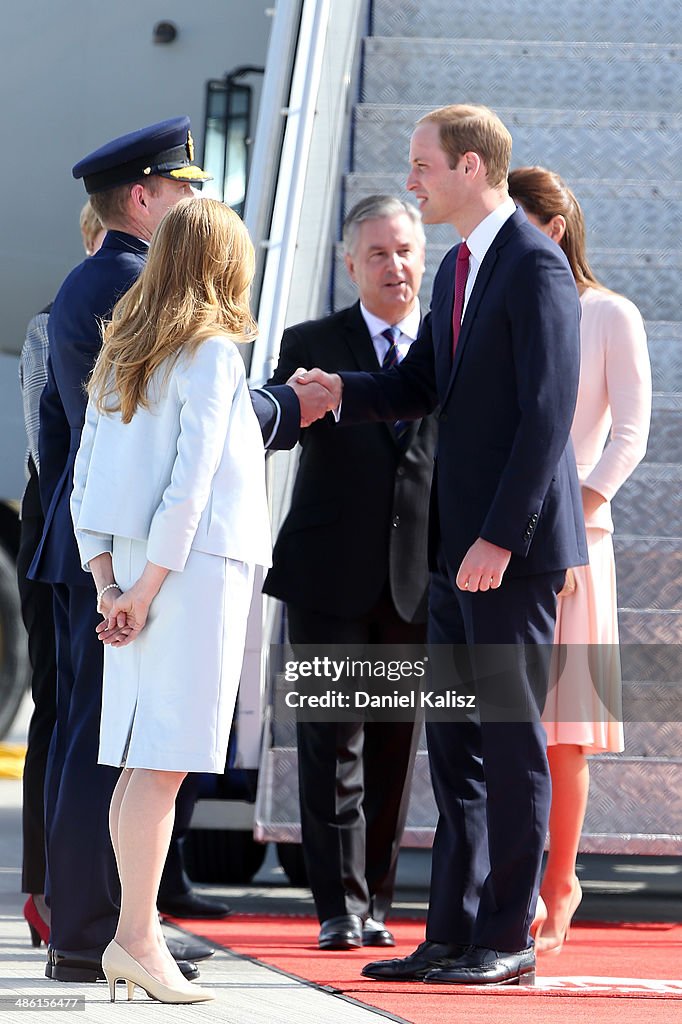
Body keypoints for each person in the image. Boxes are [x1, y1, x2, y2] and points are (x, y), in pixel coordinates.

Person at [29, 116, 329, 984]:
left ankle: (110, 928)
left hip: (117, 558)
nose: (188, 200)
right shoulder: (158, 316)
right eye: (181, 188)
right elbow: (186, 469)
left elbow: (94, 462)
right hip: (168, 567)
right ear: (142, 196)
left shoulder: (115, 311)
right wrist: (285, 408)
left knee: (115, 753)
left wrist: (107, 576)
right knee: (132, 756)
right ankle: (108, 931)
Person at [300, 104, 587, 987]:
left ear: (469, 167)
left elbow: (546, 418)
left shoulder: (533, 267)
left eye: (422, 165)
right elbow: (419, 383)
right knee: (456, 751)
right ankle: (454, 935)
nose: (411, 178)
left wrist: (501, 538)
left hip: (508, 554)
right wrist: (334, 390)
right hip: (456, 553)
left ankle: (509, 937)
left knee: (509, 742)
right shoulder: (463, 265)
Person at [70, 195, 270, 1004]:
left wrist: (111, 584)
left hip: (134, 570)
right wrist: (146, 592)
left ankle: (135, 934)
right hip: (191, 574)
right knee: (163, 763)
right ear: (226, 262)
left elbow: (86, 481)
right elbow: (190, 487)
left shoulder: (124, 350)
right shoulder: (213, 351)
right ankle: (138, 938)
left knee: (139, 762)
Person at [263, 195, 436, 951]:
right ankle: (337, 907)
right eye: (377, 254)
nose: (393, 266)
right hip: (327, 574)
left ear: (422, 255)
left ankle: (379, 904)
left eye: (403, 251)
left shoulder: (450, 341)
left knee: (396, 749)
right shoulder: (312, 341)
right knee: (330, 744)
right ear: (349, 263)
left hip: (417, 578)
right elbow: (271, 435)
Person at [507, 166, 651, 953]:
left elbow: (630, 434)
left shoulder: (609, 314)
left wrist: (571, 521)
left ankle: (559, 883)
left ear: (551, 229)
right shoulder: (506, 309)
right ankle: (510, 887)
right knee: (505, 724)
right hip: (503, 540)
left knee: (565, 730)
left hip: (578, 548)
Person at [18, 203, 106, 947]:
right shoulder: (56, 321)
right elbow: (52, 452)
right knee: (63, 710)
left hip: (84, 546)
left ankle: (109, 899)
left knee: (93, 723)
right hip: (66, 548)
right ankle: (49, 891)